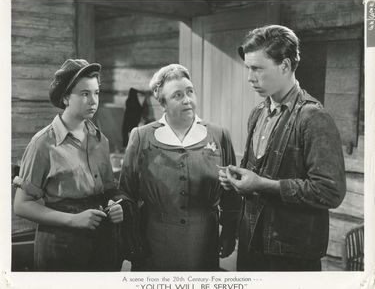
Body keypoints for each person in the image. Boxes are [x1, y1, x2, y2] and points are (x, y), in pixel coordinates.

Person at [219, 25, 346, 271]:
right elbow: (254, 172)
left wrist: (262, 185)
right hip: (250, 247)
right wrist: (236, 179)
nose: (249, 77)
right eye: (248, 68)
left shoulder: (313, 117)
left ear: (285, 66)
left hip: (290, 257)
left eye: (257, 69)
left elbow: (330, 191)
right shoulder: (258, 112)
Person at [118, 64, 242, 271]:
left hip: (205, 241)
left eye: (190, 92)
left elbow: (232, 192)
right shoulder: (141, 136)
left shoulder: (219, 135)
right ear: (163, 103)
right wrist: (131, 239)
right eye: (177, 95)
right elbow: (126, 192)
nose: (187, 100)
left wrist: (230, 232)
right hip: (153, 242)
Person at [13, 59, 125, 271]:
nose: (93, 100)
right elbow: (21, 205)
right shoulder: (43, 143)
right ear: (65, 97)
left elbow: (108, 190)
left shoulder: (101, 140)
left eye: (96, 92)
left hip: (102, 242)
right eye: (84, 94)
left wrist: (115, 205)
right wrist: (73, 220)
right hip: (61, 245)